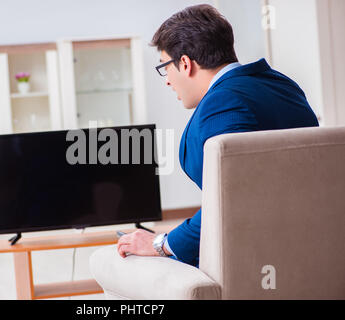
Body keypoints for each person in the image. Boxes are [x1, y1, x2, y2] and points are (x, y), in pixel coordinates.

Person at [117, 4, 319, 267]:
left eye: (165, 67)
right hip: (314, 236)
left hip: (258, 258)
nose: (166, 80)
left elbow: (234, 200)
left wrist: (161, 244)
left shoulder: (222, 103)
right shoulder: (281, 84)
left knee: (131, 261)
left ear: (186, 63)